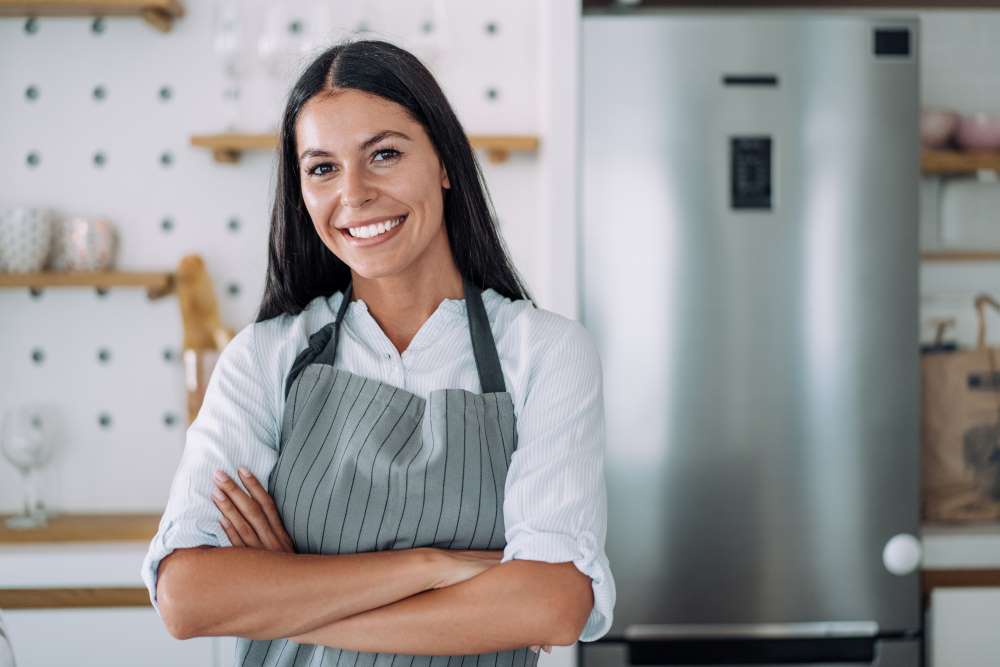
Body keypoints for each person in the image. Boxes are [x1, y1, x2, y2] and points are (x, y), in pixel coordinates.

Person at [140, 38, 615, 666]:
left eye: (384, 154)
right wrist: (432, 567)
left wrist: (290, 592)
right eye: (322, 168)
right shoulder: (264, 358)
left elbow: (549, 606)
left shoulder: (546, 353)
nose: (354, 194)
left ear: (445, 161)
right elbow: (189, 598)